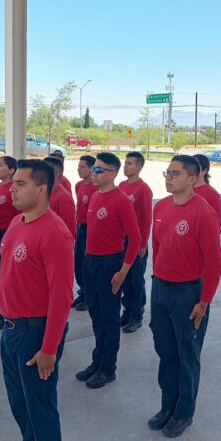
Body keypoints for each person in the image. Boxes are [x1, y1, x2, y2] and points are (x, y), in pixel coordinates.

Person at [0, 160, 73, 441]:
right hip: (11, 330)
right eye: (13, 182)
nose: (12, 188)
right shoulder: (15, 223)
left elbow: (62, 296)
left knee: (40, 410)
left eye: (21, 183)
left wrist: (49, 348)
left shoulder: (55, 233)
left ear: (42, 189)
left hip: (35, 333)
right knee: (21, 407)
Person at [148, 155, 221, 438]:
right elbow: (158, 246)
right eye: (167, 172)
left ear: (192, 179)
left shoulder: (202, 212)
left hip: (188, 293)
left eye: (176, 174)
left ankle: (183, 412)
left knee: (187, 354)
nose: (168, 177)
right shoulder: (162, 206)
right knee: (166, 353)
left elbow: (215, 263)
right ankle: (167, 406)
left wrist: (204, 301)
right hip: (161, 288)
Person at [76, 152, 141, 389]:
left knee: (110, 318)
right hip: (90, 262)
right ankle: (97, 361)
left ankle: (108, 367)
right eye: (94, 169)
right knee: (95, 315)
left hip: (110, 264)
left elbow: (135, 239)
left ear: (112, 173)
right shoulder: (94, 196)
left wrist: (123, 270)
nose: (94, 173)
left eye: (99, 170)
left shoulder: (121, 200)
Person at [118, 151, 153, 333]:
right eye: (125, 163)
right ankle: (127, 311)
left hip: (136, 241)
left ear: (139, 167)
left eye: (130, 163)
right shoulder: (122, 186)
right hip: (121, 241)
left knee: (136, 280)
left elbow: (147, 218)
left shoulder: (143, 189)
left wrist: (142, 243)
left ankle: (136, 315)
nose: (126, 166)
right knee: (124, 278)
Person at [0, 155, 21, 330]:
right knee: (4, 275)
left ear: (11, 170)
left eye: (0, 166)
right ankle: (5, 310)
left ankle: (11, 312)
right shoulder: (0, 187)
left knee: (11, 276)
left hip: (9, 235)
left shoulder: (13, 188)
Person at [73, 155, 96, 312]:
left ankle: (90, 296)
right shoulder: (78, 185)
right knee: (79, 263)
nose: (79, 170)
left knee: (89, 265)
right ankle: (83, 291)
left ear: (91, 169)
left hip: (91, 229)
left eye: (83, 167)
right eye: (78, 167)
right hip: (79, 227)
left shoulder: (96, 188)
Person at [44, 156, 77, 240]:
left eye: (43, 171)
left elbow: (68, 230)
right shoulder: (45, 192)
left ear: (55, 174)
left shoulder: (63, 198)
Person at [193, 153, 221, 230]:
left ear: (204, 171)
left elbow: (216, 225)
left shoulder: (211, 194)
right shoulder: (183, 190)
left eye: (195, 167)